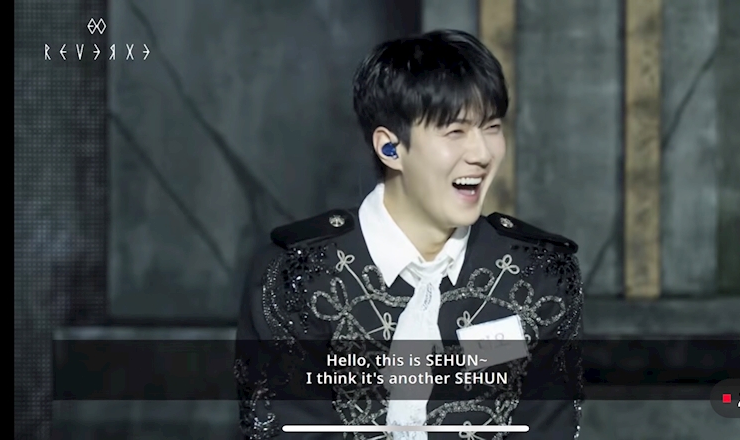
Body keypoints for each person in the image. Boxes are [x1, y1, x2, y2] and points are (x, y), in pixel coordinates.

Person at [234, 29, 584, 439]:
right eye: (455, 131)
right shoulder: (297, 275)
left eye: (491, 127)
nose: (483, 153)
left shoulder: (540, 273)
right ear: (390, 148)